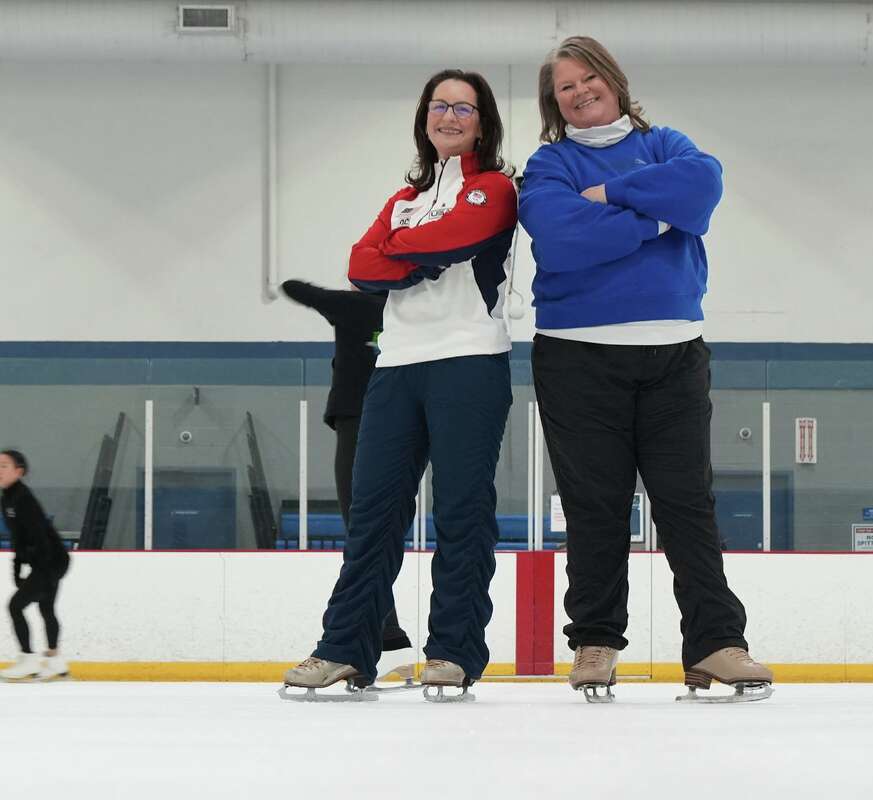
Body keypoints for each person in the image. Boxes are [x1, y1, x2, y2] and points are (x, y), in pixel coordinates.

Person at [517, 36, 772, 702]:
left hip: (674, 353)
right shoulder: (549, 166)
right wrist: (659, 221)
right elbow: (565, 240)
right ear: (555, 103)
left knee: (688, 504)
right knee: (594, 506)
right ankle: (595, 642)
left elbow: (703, 185)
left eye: (588, 78)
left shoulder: (669, 146)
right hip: (576, 355)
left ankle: (716, 643)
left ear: (614, 80)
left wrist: (613, 196)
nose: (579, 92)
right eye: (565, 87)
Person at [282, 68, 516, 702]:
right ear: (424, 117)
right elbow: (361, 265)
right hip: (395, 367)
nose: (449, 116)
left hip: (469, 360)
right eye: (439, 106)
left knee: (462, 511)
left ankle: (453, 651)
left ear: (482, 121)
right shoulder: (404, 196)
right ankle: (346, 649)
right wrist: (415, 252)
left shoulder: (496, 187)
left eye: (463, 108)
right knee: (373, 515)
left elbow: (459, 236)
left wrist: (400, 253)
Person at [279, 279, 414, 685]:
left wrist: (344, 295)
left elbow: (293, 287)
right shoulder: (407, 309)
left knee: (363, 530)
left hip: (359, 419)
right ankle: (389, 638)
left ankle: (387, 643)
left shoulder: (353, 307)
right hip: (400, 418)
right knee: (371, 531)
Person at [1, 450, 70, 682]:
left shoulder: (23, 498)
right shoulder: (7, 498)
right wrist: (17, 569)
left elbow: (40, 537)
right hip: (46, 560)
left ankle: (28, 660)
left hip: (51, 560)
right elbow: (18, 538)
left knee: (15, 605)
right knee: (46, 608)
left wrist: (45, 576)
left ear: (19, 471)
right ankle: (55, 661)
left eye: (3, 466)